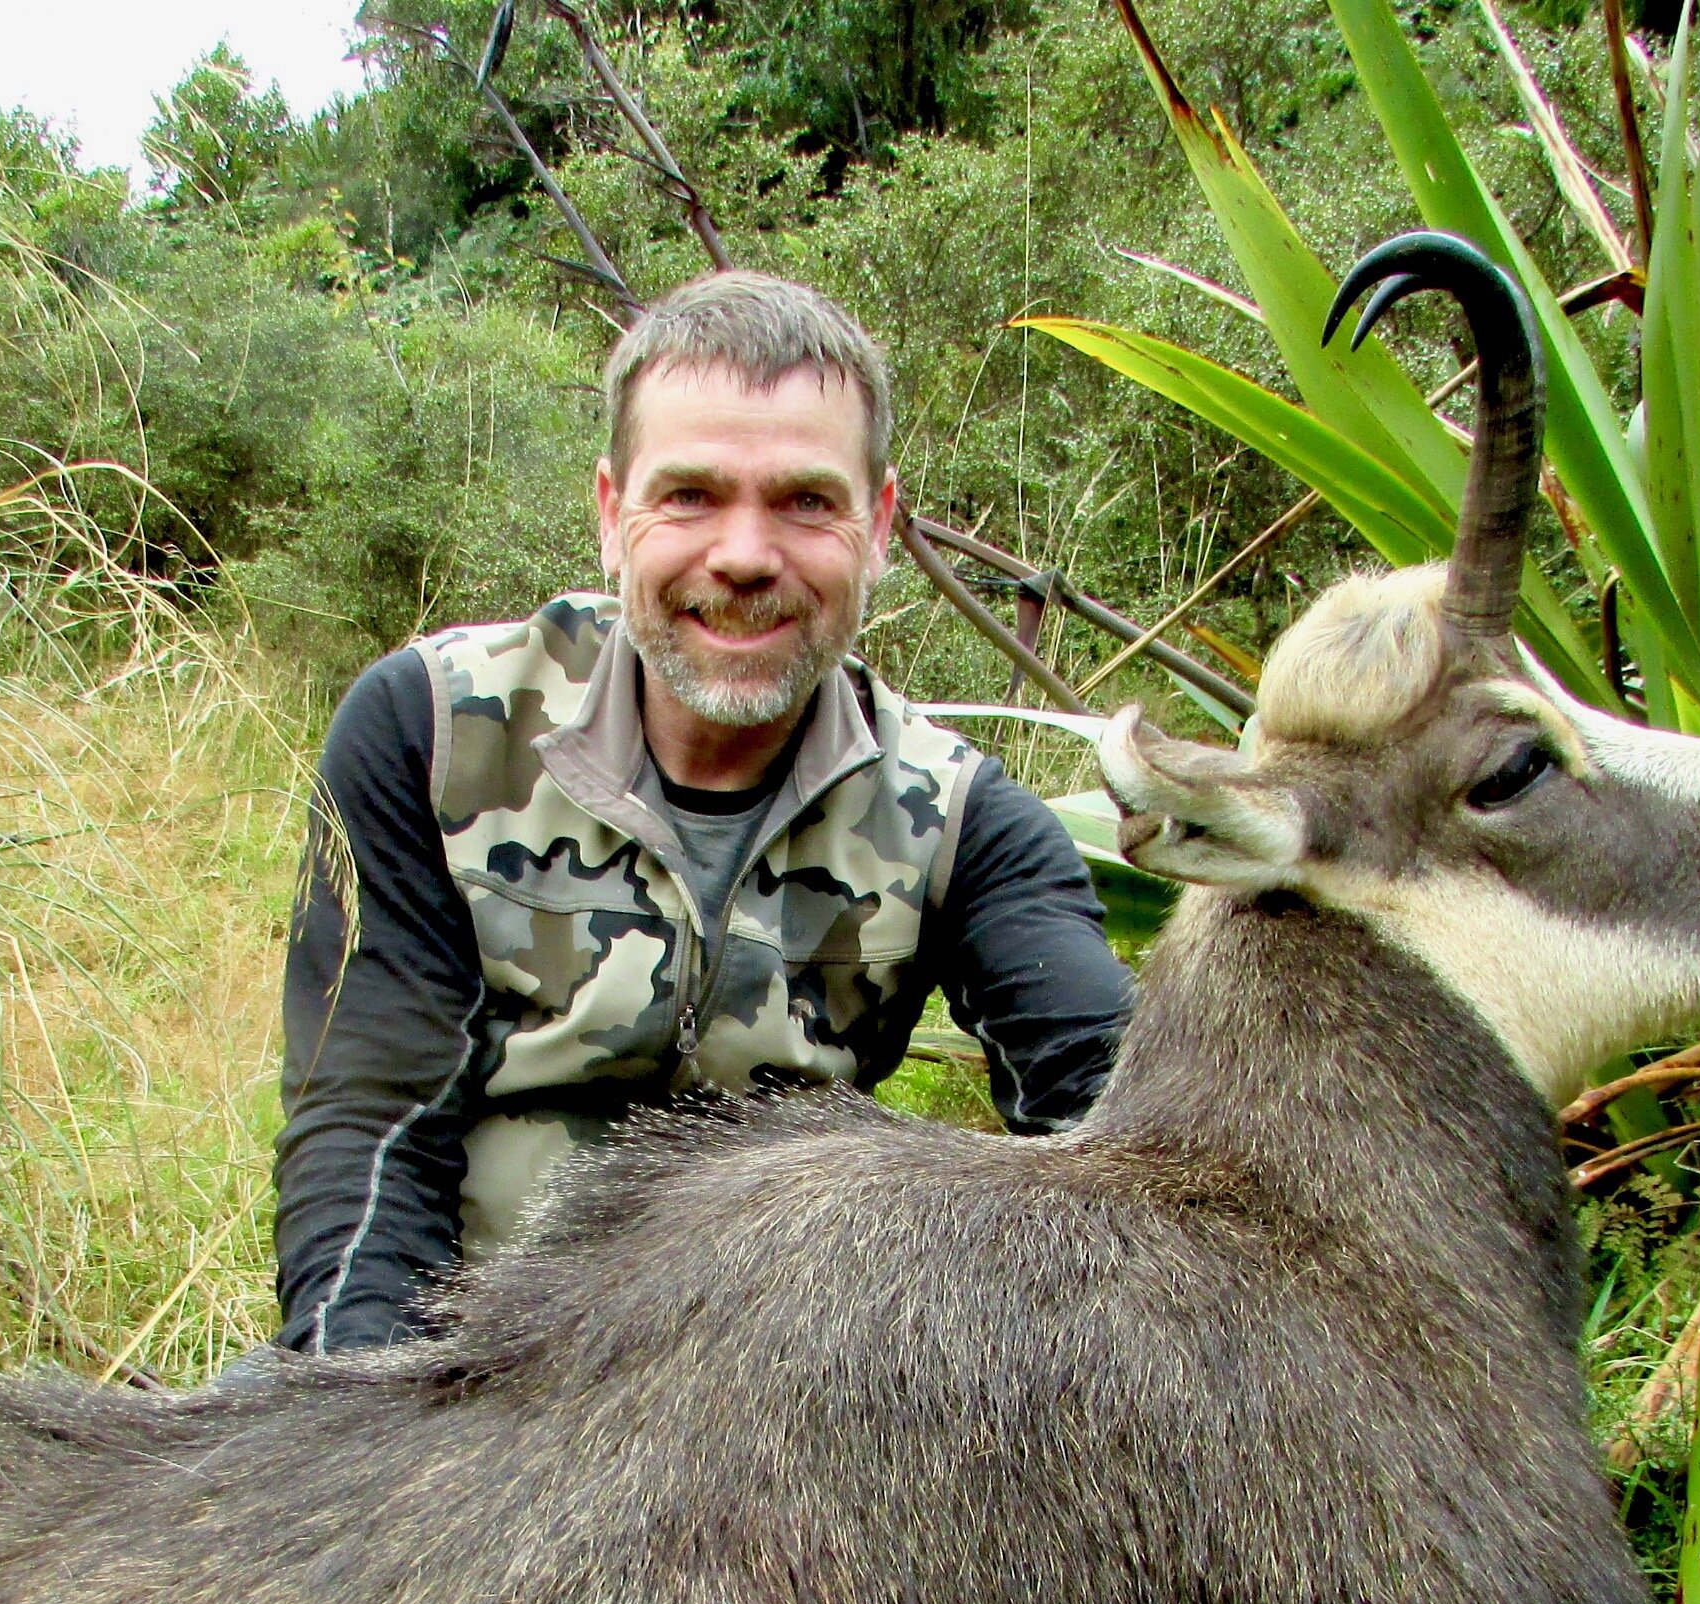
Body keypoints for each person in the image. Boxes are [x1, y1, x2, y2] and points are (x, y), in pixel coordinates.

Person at [271, 269, 1134, 1355]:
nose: (742, 556)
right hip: (460, 1373)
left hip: (776, 1403)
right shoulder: (428, 733)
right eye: (689, 495)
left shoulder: (967, 823)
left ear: (878, 526)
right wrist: (376, 1441)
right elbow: (366, 1134)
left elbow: (1111, 1126)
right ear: (609, 511)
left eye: (805, 502)